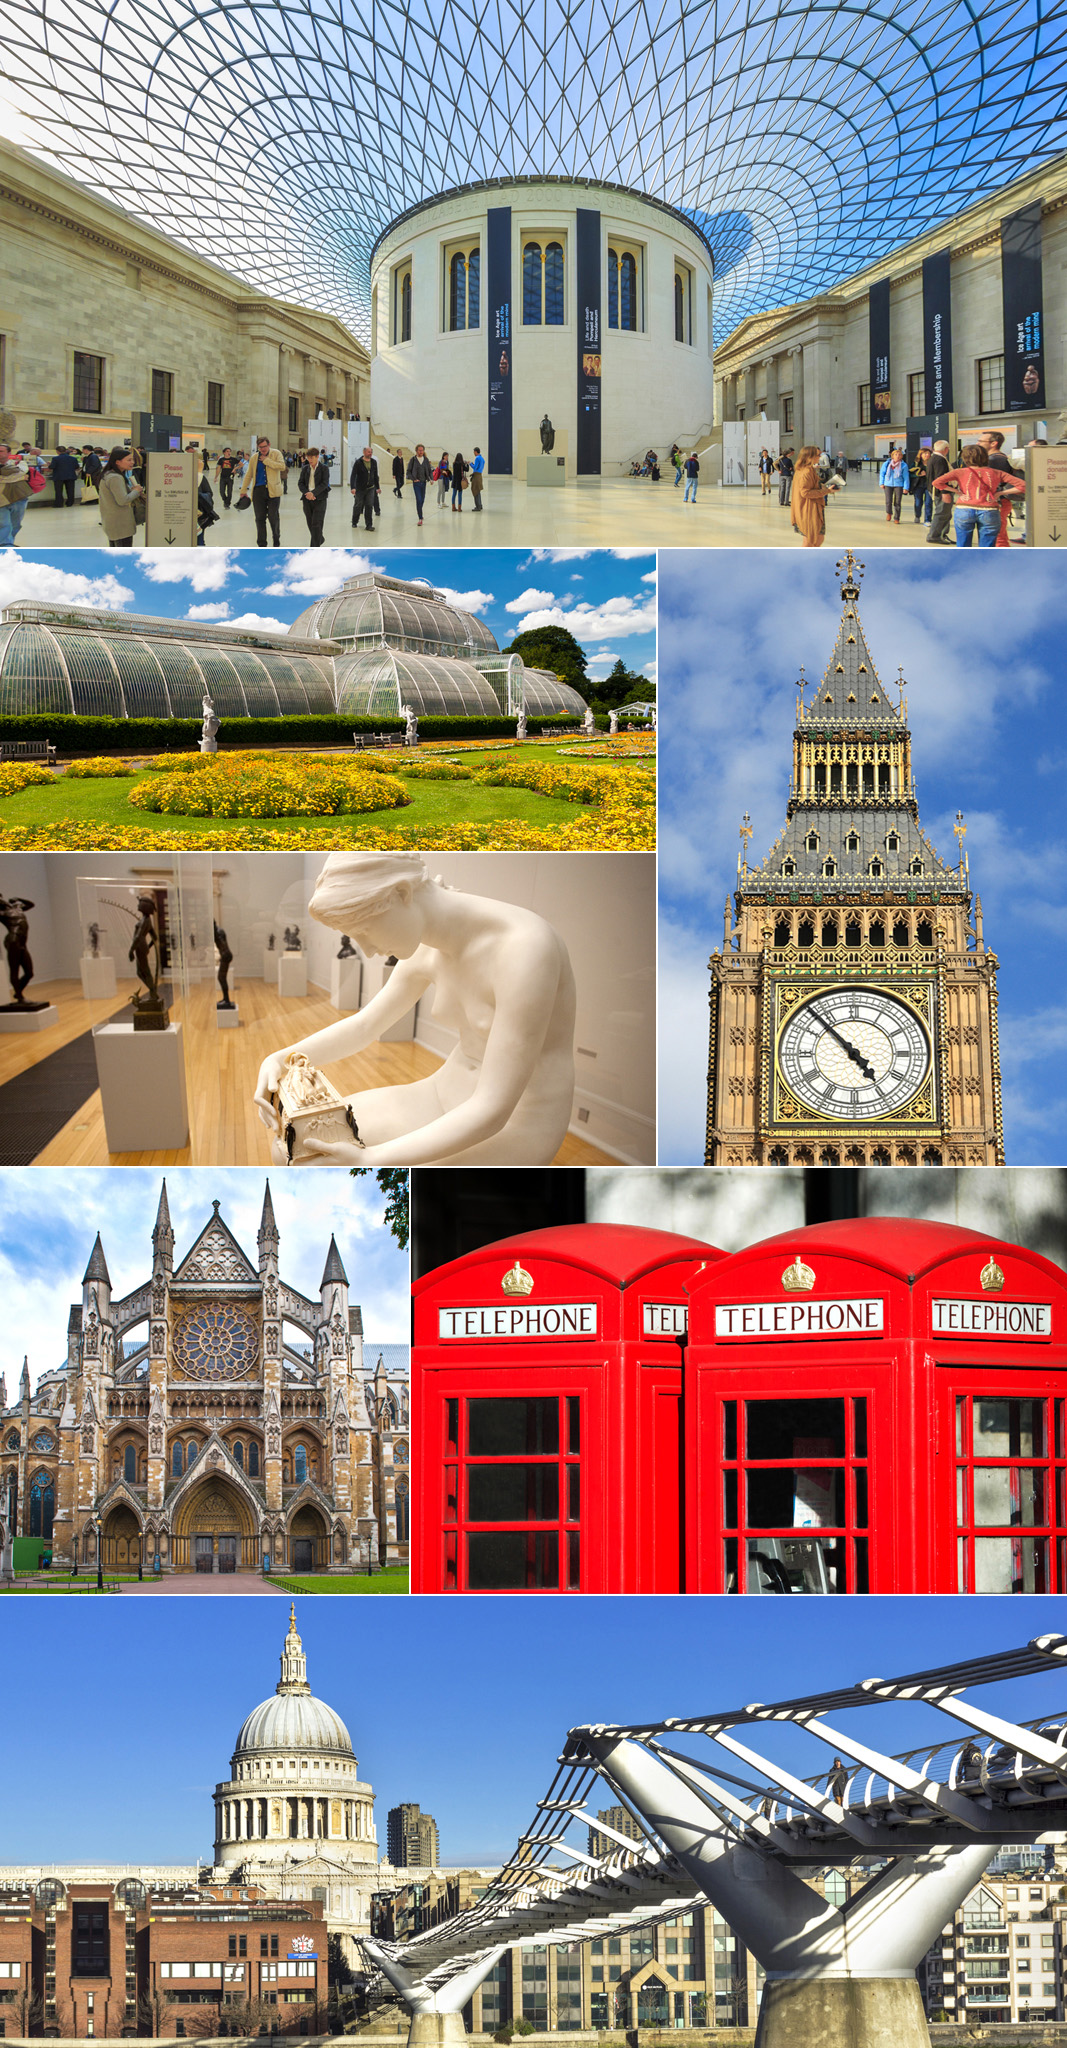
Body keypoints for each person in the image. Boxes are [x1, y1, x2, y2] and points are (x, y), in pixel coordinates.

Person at [253, 851, 577, 1167]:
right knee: (289, 1149)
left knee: (312, 1162)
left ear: (402, 893)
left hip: (517, 1122)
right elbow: (365, 1025)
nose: (366, 950)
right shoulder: (427, 946)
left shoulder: (524, 949)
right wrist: (281, 1059)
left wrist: (369, 1158)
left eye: (364, 930)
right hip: (442, 1092)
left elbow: (493, 1109)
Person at [934, 443, 1025, 547]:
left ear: (965, 457)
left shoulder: (959, 472)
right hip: (989, 510)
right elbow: (1023, 485)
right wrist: (1001, 493)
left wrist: (957, 492)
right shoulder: (996, 473)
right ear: (985, 457)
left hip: (964, 509)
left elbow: (937, 482)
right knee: (987, 545)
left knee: (963, 544)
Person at [239, 435, 285, 546]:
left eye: (264, 446)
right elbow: (249, 474)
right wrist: (243, 490)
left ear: (269, 445)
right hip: (258, 492)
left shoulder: (276, 453)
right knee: (259, 518)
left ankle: (276, 537)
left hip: (273, 491)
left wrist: (267, 461)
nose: (262, 449)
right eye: (260, 447)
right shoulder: (254, 458)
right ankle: (261, 543)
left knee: (273, 517)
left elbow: (282, 466)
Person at [977, 428, 1019, 547]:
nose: (978, 444)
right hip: (998, 501)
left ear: (993, 443)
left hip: (997, 502)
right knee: (999, 535)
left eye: (981, 441)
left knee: (996, 536)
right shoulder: (998, 458)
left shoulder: (995, 460)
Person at [97, 447, 144, 546]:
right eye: (129, 460)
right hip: (120, 523)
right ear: (118, 462)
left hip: (112, 521)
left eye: (133, 460)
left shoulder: (108, 475)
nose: (132, 462)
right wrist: (136, 491)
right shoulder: (115, 477)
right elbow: (123, 500)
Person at [790, 445, 830, 546]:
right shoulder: (806, 471)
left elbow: (811, 487)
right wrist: (826, 491)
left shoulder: (804, 469)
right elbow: (805, 493)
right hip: (808, 510)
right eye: (818, 455)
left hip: (811, 508)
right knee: (809, 541)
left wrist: (826, 488)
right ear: (809, 457)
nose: (819, 457)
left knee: (818, 539)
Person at [0, 446, 31, 547]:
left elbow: (24, 473)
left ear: (9, 453)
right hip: (1, 500)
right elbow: (20, 476)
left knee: (16, 524)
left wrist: (5, 478)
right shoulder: (17, 467)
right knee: (4, 524)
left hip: (18, 498)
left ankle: (9, 541)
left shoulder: (19, 463)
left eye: (1, 451)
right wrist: (20, 477)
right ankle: (5, 544)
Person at [299, 445, 330, 545]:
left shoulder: (324, 468)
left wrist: (313, 493)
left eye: (312, 458)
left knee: (317, 523)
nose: (309, 460)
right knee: (310, 524)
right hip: (307, 499)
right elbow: (300, 483)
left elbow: (324, 484)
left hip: (320, 499)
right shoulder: (305, 469)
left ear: (317, 457)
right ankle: (319, 539)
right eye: (308, 458)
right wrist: (307, 493)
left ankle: (314, 547)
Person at [925, 440, 953, 543]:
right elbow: (940, 478)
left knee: (945, 514)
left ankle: (942, 535)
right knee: (942, 514)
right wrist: (945, 493)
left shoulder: (933, 458)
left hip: (936, 491)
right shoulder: (940, 460)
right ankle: (935, 536)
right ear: (946, 449)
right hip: (941, 492)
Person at [350, 445, 379, 531]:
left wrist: (378, 487)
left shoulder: (374, 462)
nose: (370, 454)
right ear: (364, 452)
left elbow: (375, 476)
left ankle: (369, 525)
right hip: (360, 488)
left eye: (371, 452)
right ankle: (354, 522)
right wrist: (353, 487)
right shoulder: (358, 462)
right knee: (358, 505)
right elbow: (353, 475)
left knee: (369, 506)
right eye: (368, 452)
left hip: (371, 488)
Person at [880, 445, 909, 523]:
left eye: (899, 455)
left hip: (899, 485)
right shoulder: (887, 464)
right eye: (896, 454)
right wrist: (881, 483)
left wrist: (906, 487)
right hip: (888, 484)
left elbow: (906, 477)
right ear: (892, 456)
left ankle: (897, 518)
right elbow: (882, 474)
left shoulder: (904, 465)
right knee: (888, 501)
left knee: (897, 502)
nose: (897, 456)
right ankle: (889, 513)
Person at [406, 444, 432, 526]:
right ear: (416, 451)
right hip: (416, 483)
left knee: (422, 499)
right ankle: (420, 518)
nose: (421, 452)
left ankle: (419, 509)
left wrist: (431, 479)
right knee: (419, 499)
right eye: (419, 450)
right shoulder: (413, 460)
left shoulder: (426, 460)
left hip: (424, 482)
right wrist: (413, 479)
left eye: (422, 450)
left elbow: (429, 470)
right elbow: (408, 472)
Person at [196, 469, 219, 545]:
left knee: (199, 539)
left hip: (199, 516)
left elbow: (209, 493)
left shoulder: (199, 477)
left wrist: (198, 495)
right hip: (180, 516)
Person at [910, 446, 930, 523]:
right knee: (918, 502)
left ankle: (927, 520)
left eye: (928, 453)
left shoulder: (932, 463)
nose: (927, 455)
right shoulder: (916, 464)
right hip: (918, 485)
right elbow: (910, 474)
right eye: (925, 453)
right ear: (920, 454)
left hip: (929, 485)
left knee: (928, 503)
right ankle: (917, 516)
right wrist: (918, 474)